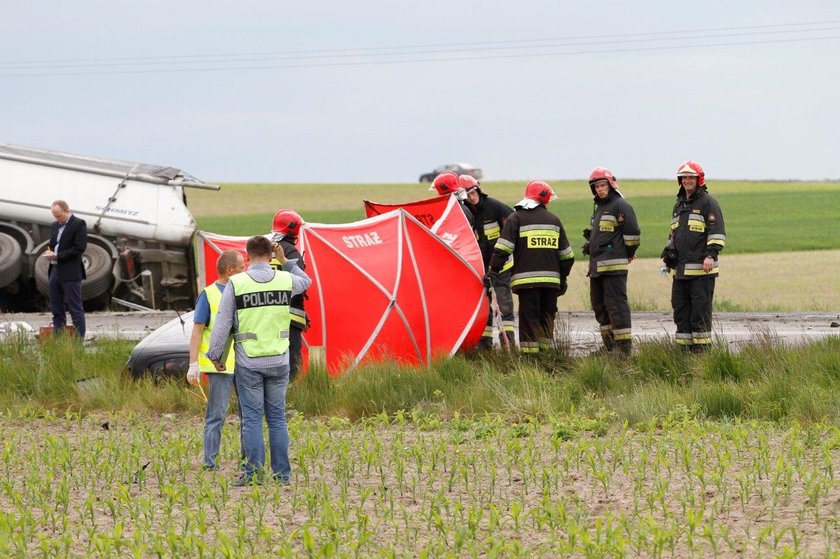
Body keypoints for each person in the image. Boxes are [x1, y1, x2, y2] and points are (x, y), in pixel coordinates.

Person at [206, 235, 311, 486]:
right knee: (277, 418)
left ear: (247, 255)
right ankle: (282, 475)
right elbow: (306, 281)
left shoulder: (237, 283)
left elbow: (222, 323)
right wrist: (286, 262)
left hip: (249, 362)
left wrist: (215, 356)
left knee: (252, 419)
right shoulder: (286, 279)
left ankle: (253, 474)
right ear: (272, 254)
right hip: (279, 359)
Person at [489, 180, 574, 354]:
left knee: (529, 322)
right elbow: (567, 256)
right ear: (546, 198)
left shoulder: (516, 218)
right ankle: (547, 357)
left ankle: (530, 362)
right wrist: (562, 278)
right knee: (546, 321)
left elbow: (503, 249)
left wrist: (493, 271)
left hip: (527, 284)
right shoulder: (554, 220)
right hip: (551, 284)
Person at [186, 249, 245, 470]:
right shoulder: (208, 294)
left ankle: (246, 461)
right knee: (216, 415)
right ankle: (210, 463)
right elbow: (197, 331)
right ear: (230, 270)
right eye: (241, 267)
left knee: (247, 416)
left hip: (243, 363)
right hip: (218, 365)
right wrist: (193, 364)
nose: (245, 270)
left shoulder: (243, 290)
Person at [661, 160, 726, 353]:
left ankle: (702, 354)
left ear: (699, 180)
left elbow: (717, 233)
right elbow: (673, 234)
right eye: (684, 178)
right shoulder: (678, 205)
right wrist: (669, 253)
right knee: (680, 312)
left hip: (701, 272)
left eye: (691, 177)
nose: (687, 181)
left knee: (700, 313)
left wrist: (710, 256)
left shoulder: (708, 203)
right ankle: (684, 352)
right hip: (681, 272)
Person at [582, 168, 641, 355]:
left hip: (614, 268)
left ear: (611, 184)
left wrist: (628, 253)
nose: (600, 189)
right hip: (597, 268)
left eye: (602, 185)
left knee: (616, 307)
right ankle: (609, 346)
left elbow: (632, 235)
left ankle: (623, 349)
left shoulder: (620, 205)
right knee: (600, 308)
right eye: (596, 186)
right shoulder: (599, 209)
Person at [460, 175, 516, 349]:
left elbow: (513, 225)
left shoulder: (495, 207)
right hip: (480, 270)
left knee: (503, 306)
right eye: (467, 194)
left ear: (478, 189)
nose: (472, 197)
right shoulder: (465, 213)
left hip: (501, 267)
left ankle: (509, 346)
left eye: (473, 192)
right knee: (484, 310)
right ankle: (485, 346)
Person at [269, 210, 308, 381]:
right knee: (291, 362)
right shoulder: (290, 251)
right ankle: (289, 396)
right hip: (290, 317)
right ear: (294, 229)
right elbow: (301, 282)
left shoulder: (266, 249)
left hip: (268, 316)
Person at [45, 200, 87, 340]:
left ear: (67, 211)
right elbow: (52, 244)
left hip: (70, 271)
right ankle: (59, 341)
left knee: (75, 308)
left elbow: (79, 248)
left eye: (58, 215)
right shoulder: (54, 225)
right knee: (56, 308)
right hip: (55, 269)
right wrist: (50, 252)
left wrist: (58, 255)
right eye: (54, 216)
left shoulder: (78, 224)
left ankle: (78, 343)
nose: (57, 219)